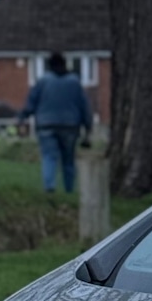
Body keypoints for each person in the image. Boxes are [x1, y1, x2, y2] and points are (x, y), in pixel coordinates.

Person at [19, 51, 92, 194]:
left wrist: (22, 117)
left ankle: (49, 187)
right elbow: (84, 106)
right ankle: (69, 189)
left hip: (46, 125)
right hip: (70, 126)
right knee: (68, 160)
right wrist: (88, 128)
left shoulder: (43, 81)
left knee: (49, 156)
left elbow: (31, 103)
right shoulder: (74, 82)